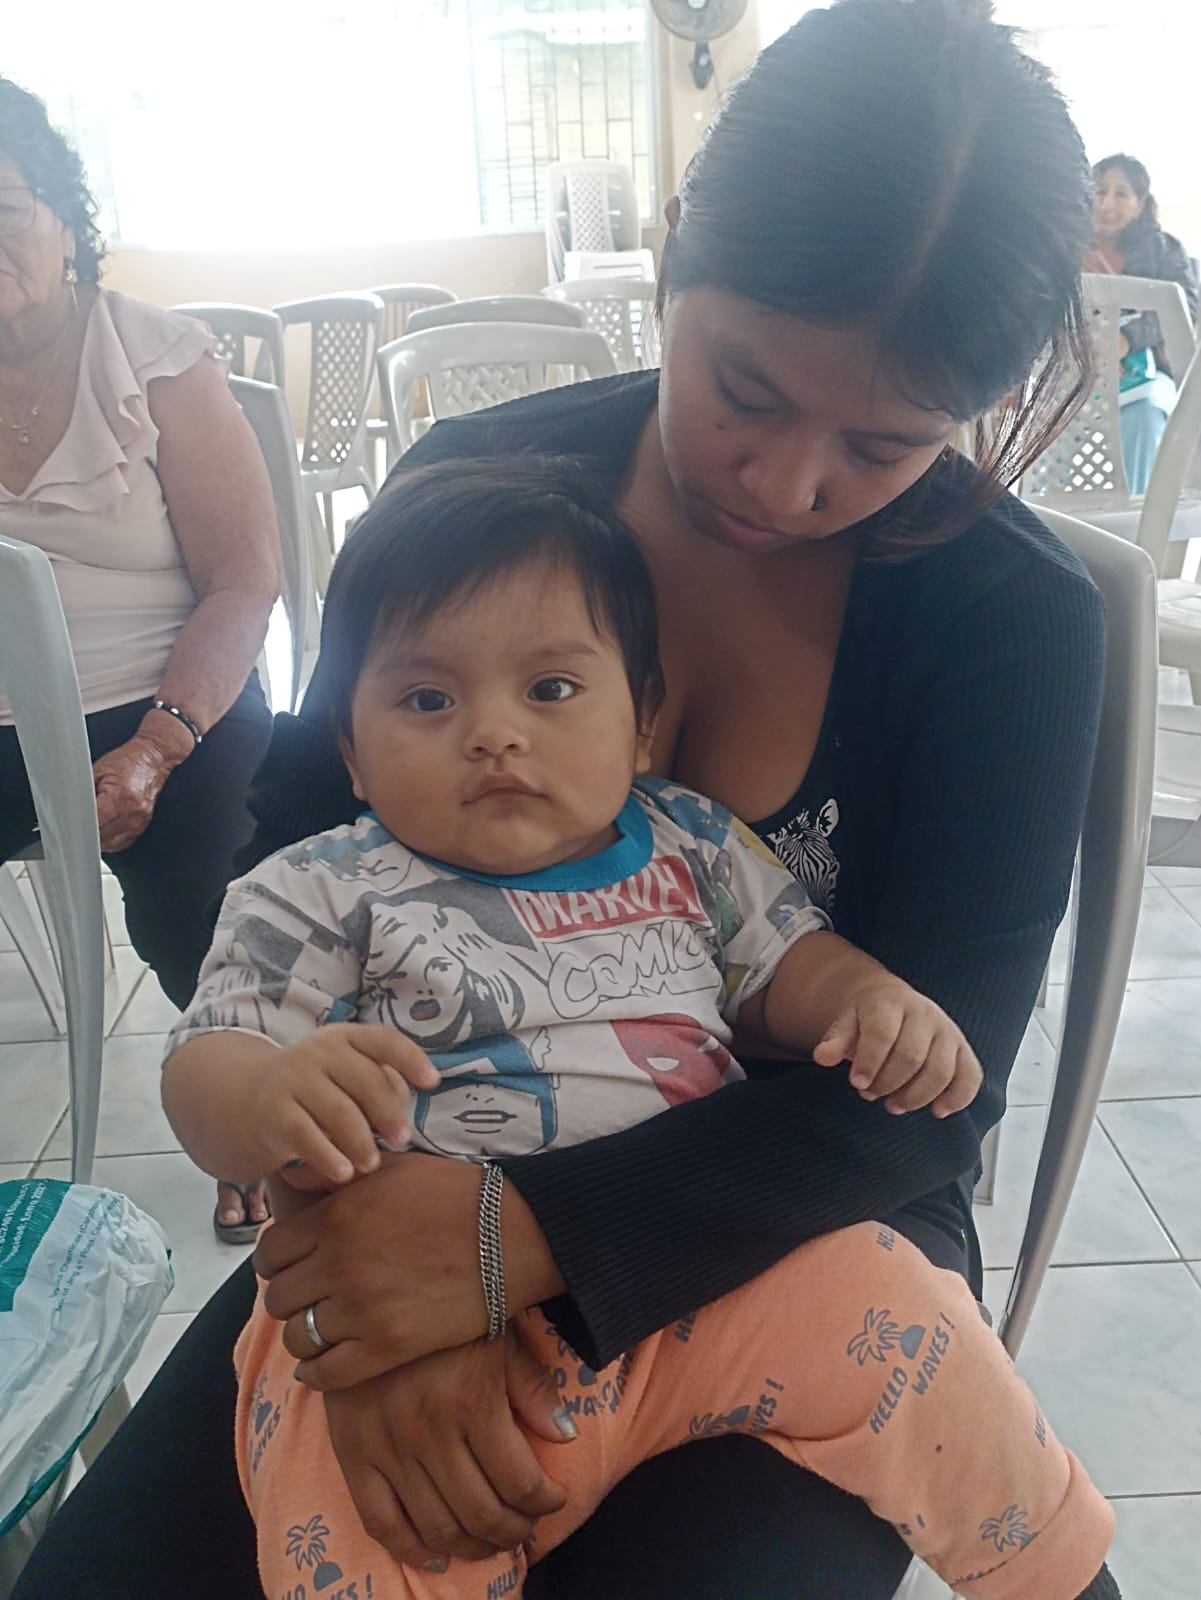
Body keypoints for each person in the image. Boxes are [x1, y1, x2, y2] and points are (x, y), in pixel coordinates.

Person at [11, 3, 1112, 1597]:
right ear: (672, 259)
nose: (786, 483)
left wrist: (507, 1250)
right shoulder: (478, 492)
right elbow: (289, 881)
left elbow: (926, 1094)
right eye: (743, 388)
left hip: (794, 1227)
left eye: (881, 447)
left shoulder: (1006, 618)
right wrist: (377, 1267)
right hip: (404, 1171)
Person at [162, 457, 1117, 1600]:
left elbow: (785, 965)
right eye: (427, 701)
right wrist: (262, 1096)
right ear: (352, 755)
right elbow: (204, 1062)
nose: (493, 734)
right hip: (414, 1328)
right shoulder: (319, 889)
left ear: (643, 720)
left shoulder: (692, 844)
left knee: (901, 1307)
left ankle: (1054, 1568)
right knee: (352, 1525)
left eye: (550, 689)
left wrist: (868, 1002)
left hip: (691, 1277)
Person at [0, 78, 281, 1245]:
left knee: (200, 910)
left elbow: (244, 580)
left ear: (65, 221)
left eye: (4, 209)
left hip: (170, 701)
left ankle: (252, 1118)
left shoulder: (156, 359)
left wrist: (156, 749)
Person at [1085, 152, 1199, 493]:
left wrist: (1124, 341)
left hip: (1148, 375)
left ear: (1139, 203)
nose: (1107, 203)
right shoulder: (1066, 248)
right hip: (1077, 373)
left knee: (1145, 411)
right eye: (1100, 190)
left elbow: (1185, 307)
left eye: (1121, 193)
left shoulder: (1164, 250)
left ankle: (1139, 513)